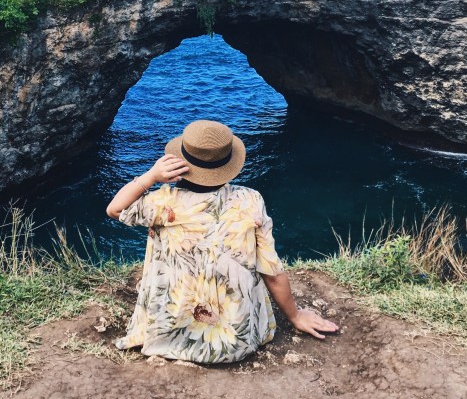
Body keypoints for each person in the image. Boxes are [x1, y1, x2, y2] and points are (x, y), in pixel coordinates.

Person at [106, 119, 338, 363]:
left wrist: (151, 176)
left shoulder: (164, 201)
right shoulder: (250, 201)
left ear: (179, 162)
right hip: (237, 339)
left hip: (173, 333)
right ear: (227, 164)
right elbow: (271, 270)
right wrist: (295, 316)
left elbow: (115, 209)